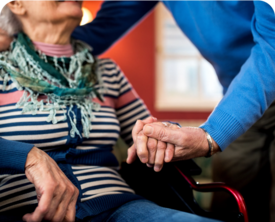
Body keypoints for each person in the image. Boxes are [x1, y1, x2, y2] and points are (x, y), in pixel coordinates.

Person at [0, 1, 222, 222]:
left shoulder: (108, 72)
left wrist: (159, 135)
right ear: (16, 4)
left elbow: (149, 132)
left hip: (121, 208)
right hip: (26, 210)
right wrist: (29, 157)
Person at [67, 1, 274, 222]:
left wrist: (207, 134)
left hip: (259, 77)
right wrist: (30, 41)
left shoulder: (109, 75)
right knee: (231, 200)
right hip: (241, 96)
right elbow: (103, 27)